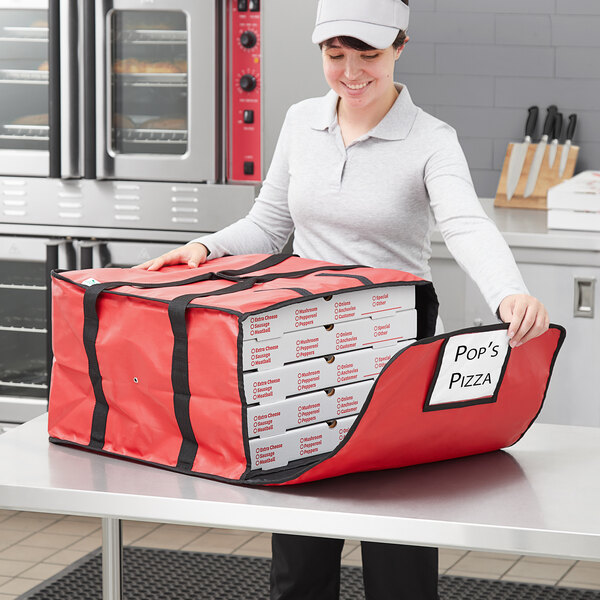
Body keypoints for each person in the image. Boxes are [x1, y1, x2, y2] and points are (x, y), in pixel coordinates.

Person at [137, 0, 549, 597]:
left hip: (393, 340)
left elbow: (465, 224)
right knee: (301, 538)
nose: (351, 72)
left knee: (397, 535)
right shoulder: (302, 121)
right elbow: (269, 223)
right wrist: (204, 248)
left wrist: (509, 291)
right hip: (301, 334)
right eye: (336, 56)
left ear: (400, 48)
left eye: (369, 56)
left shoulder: (431, 139)